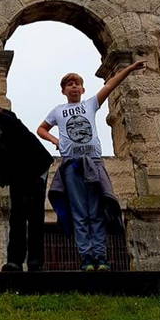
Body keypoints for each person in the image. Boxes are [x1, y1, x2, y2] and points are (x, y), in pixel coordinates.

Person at [37, 61, 145, 271]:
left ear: (83, 89)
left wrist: (130, 69)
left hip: (93, 162)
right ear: (63, 91)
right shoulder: (58, 111)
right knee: (80, 212)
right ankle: (87, 258)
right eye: (69, 84)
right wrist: (55, 141)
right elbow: (41, 129)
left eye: (77, 83)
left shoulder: (90, 104)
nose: (73, 86)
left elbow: (110, 85)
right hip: (71, 164)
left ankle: (100, 258)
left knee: (96, 211)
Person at [0, 93, 53, 272]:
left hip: (35, 166)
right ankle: (14, 261)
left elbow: (25, 144)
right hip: (16, 174)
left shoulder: (7, 118)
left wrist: (31, 176)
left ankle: (35, 262)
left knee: (35, 215)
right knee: (17, 216)